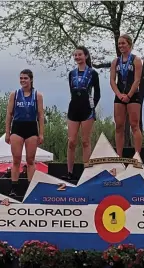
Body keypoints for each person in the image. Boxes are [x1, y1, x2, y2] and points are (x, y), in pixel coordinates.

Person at [64, 46, 101, 181]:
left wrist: (92, 106)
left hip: (87, 110)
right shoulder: (71, 74)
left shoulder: (93, 73)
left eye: (80, 55)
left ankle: (87, 172)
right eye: (75, 55)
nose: (77, 57)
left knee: (85, 141)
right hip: (73, 108)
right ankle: (69, 172)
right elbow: (72, 91)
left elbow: (97, 93)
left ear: (86, 56)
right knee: (72, 141)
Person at [5, 69, 45, 193]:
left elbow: (40, 115)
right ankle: (14, 187)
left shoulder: (37, 95)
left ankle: (31, 188)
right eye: (21, 78)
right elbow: (9, 114)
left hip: (31, 128)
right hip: (17, 127)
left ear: (31, 79)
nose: (23, 80)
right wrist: (7, 132)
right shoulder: (15, 94)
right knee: (16, 159)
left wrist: (41, 133)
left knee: (30, 160)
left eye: (25, 78)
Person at [110, 34, 143, 156]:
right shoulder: (115, 62)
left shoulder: (136, 60)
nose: (121, 46)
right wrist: (119, 94)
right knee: (119, 126)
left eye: (123, 43)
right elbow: (112, 80)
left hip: (133, 95)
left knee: (134, 125)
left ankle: (137, 156)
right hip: (119, 96)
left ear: (129, 44)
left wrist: (128, 95)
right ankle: (119, 155)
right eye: (119, 44)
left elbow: (137, 80)